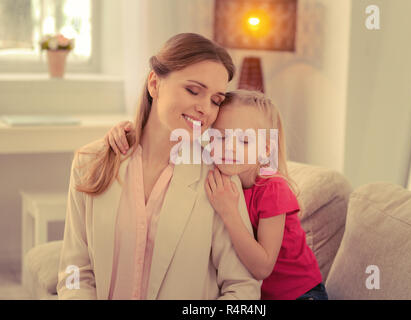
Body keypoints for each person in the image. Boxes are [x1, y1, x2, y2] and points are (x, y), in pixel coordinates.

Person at [56, 33, 261, 300]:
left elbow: (243, 288)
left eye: (216, 100)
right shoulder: (90, 161)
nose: (205, 109)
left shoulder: (219, 179)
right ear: (155, 83)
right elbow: (74, 270)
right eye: (193, 90)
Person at [107, 90, 328, 300]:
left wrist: (229, 212)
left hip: (301, 294)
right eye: (220, 137)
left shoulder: (273, 189)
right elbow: (171, 138)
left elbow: (263, 267)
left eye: (244, 141)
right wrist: (128, 131)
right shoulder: (213, 172)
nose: (229, 148)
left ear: (266, 150)